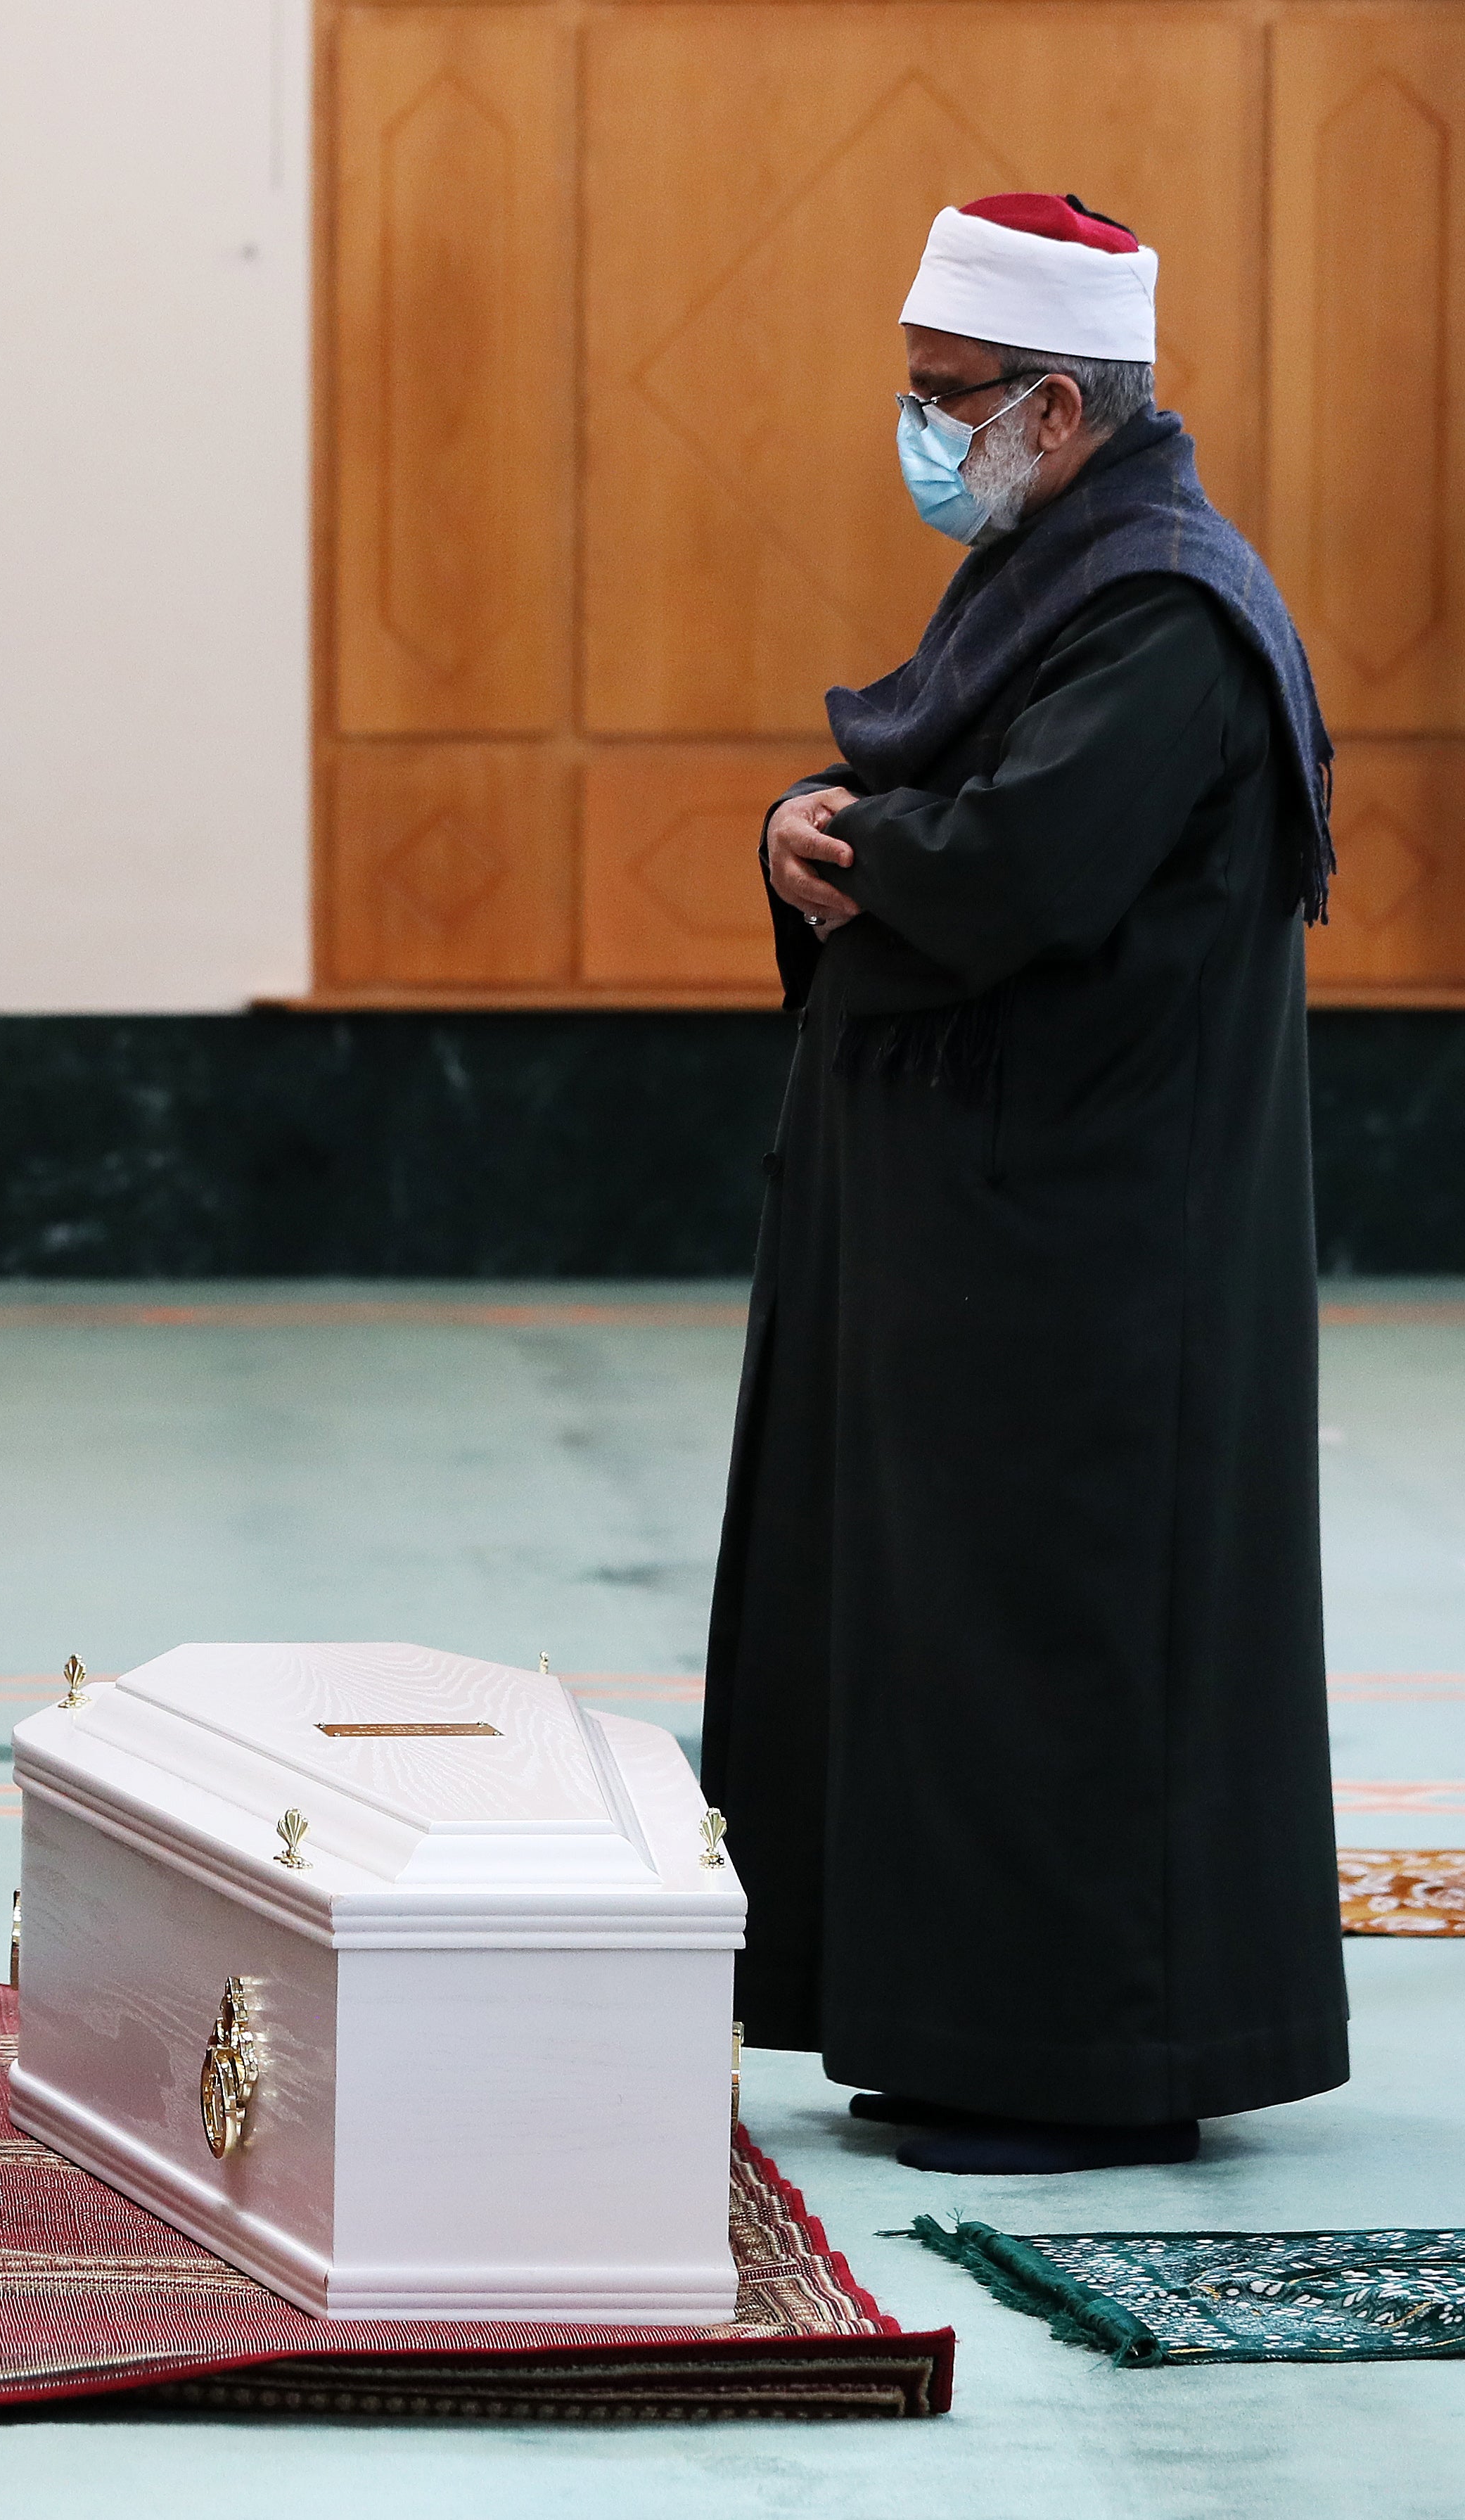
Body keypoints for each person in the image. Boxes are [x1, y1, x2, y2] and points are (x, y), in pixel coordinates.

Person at [703, 193, 1345, 2176]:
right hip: (999, 1229)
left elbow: (1016, 869)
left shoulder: (1162, 605)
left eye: (945, 401)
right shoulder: (1058, 568)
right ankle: (946, 2019)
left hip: (1094, 1257)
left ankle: (1078, 2056)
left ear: (1056, 406)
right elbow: (930, 793)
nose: (921, 436)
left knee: (1056, 1640)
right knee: (935, 1635)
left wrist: (858, 845)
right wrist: (807, 827)